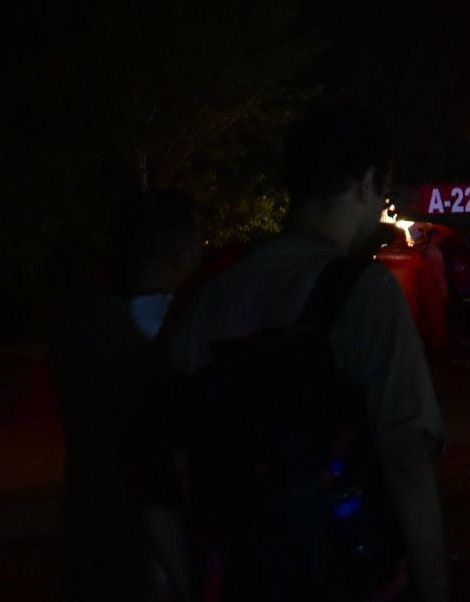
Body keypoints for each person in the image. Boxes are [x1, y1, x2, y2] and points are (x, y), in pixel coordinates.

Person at [165, 105, 448, 601]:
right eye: (382, 190)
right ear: (366, 183)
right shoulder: (366, 293)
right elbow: (405, 456)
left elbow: (162, 463)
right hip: (341, 573)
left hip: (243, 575)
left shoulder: (210, 297)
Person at [53, 189, 203, 602]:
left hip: (92, 542)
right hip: (162, 553)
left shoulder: (77, 321)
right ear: (182, 256)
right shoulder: (190, 331)